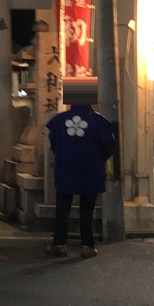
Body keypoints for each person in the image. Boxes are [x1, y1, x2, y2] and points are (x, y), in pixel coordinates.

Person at [45, 104, 116, 258]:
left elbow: (53, 143)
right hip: (90, 170)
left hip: (66, 169)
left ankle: (59, 244)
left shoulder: (59, 120)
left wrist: (63, 156)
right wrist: (98, 159)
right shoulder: (99, 121)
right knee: (87, 209)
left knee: (62, 208)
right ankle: (87, 245)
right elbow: (109, 145)